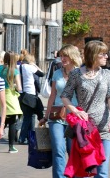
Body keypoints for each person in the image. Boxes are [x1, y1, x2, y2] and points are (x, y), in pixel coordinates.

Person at [61, 40, 110, 178]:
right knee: (83, 171)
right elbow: (65, 96)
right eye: (103, 54)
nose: (106, 57)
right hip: (84, 130)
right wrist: (75, 111)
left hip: (104, 128)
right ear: (93, 55)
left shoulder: (108, 74)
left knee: (102, 171)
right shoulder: (76, 74)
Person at [39, 44, 82, 178]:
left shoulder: (81, 73)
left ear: (72, 56)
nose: (62, 58)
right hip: (56, 116)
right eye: (61, 55)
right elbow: (52, 95)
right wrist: (46, 116)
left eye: (65, 55)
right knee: (58, 149)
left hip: (74, 116)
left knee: (72, 150)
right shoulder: (57, 73)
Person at [0, 51, 22, 153]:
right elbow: (19, 88)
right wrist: (13, 85)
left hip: (0, 96)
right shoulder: (14, 71)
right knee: (12, 123)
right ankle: (11, 147)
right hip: (11, 97)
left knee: (1, 121)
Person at [17, 53, 44, 144]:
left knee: (29, 116)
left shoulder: (18, 67)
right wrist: (35, 65)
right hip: (30, 94)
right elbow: (42, 74)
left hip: (21, 94)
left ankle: (30, 137)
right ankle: (22, 137)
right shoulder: (30, 67)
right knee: (28, 117)